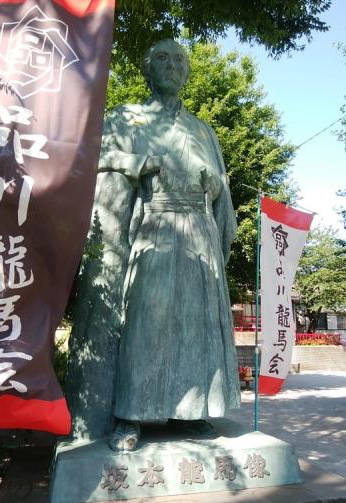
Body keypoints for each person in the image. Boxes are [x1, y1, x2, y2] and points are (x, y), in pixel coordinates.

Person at [96, 39, 241, 452]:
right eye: (161, 58)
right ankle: (131, 414)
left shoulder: (203, 129)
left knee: (195, 323)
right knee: (147, 322)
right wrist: (140, 163)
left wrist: (216, 185)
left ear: (187, 71)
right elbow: (98, 157)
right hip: (155, 226)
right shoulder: (127, 118)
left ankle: (190, 411)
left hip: (200, 231)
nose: (171, 65)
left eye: (179, 60)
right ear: (147, 68)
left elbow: (223, 189)